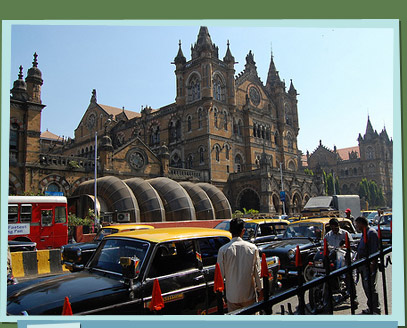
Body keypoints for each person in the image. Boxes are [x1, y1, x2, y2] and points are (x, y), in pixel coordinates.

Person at [217, 218, 263, 312]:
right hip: (248, 295)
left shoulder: (223, 250)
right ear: (243, 231)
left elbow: (219, 276)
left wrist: (220, 295)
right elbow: (258, 272)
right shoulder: (252, 248)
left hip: (232, 296)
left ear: (229, 231)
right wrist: (261, 290)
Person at [355, 216, 381, 314]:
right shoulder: (364, 233)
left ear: (362, 224)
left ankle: (376, 309)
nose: (356, 226)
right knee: (366, 288)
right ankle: (371, 307)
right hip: (362, 265)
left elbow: (374, 251)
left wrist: (372, 264)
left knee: (371, 287)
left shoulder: (371, 233)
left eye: (357, 224)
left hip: (369, 265)